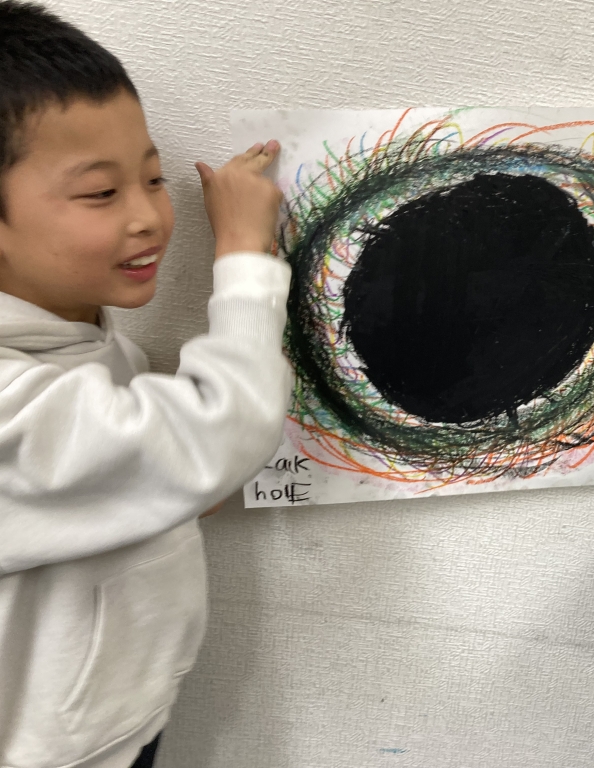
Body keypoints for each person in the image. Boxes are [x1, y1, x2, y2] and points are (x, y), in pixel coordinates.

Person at [0, 3, 292, 767]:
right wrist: (244, 258)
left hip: (115, 725)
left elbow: (164, 467)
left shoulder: (84, 343)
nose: (150, 217)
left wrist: (186, 477)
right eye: (102, 193)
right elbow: (220, 432)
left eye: (154, 179)